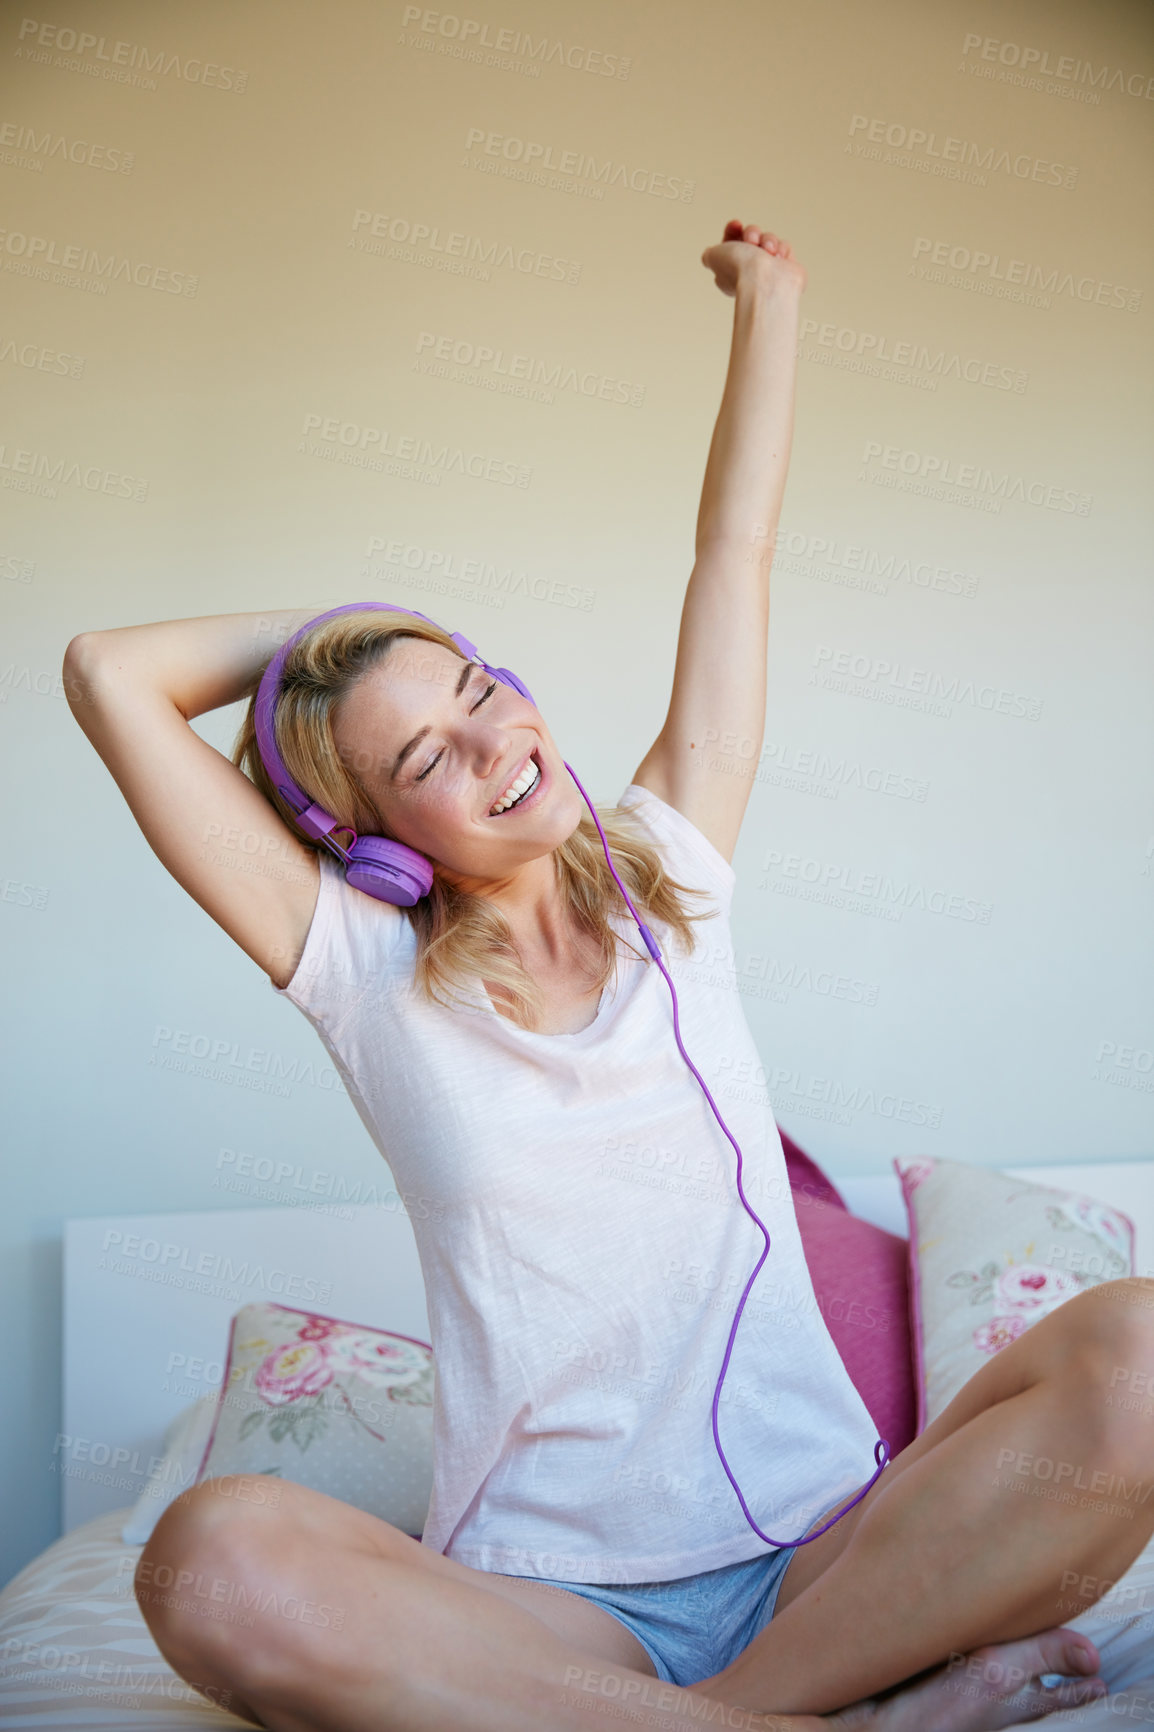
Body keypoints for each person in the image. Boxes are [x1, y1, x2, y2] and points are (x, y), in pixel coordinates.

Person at [61, 221, 1150, 1732]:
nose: (495, 739)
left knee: (1144, 1352)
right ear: (375, 846)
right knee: (208, 1562)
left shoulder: (673, 871)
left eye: (478, 687)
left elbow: (734, 551)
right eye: (422, 757)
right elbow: (107, 674)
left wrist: (771, 309)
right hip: (560, 1615)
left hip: (823, 1551)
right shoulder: (359, 969)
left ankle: (769, 1708)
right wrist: (332, 634)